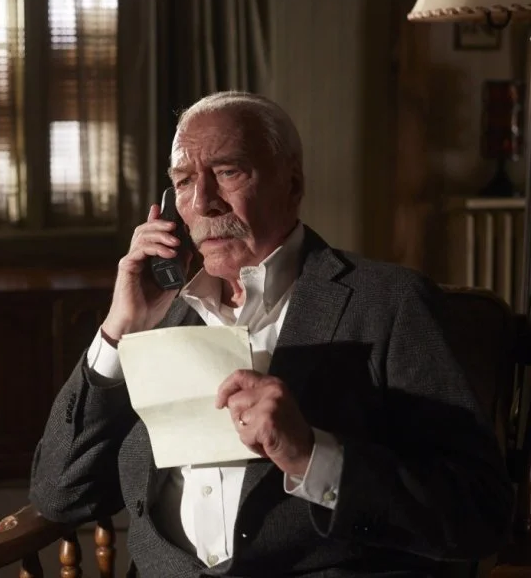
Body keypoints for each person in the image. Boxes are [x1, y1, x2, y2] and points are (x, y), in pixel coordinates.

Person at [29, 91, 514, 578]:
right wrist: (118, 330)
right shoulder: (157, 315)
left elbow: (479, 514)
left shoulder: (390, 302)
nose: (203, 203)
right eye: (184, 182)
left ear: (292, 183)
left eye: (228, 172)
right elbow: (61, 494)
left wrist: (310, 455)